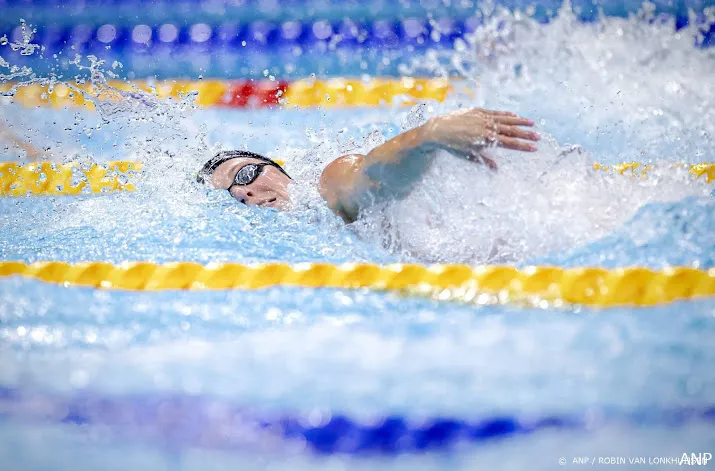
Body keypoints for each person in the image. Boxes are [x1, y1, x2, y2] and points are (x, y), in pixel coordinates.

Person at [196, 107, 540, 223]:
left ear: (276, 166)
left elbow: (372, 179)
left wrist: (427, 136)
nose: (245, 193)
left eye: (243, 174)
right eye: (231, 194)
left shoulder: (326, 186)